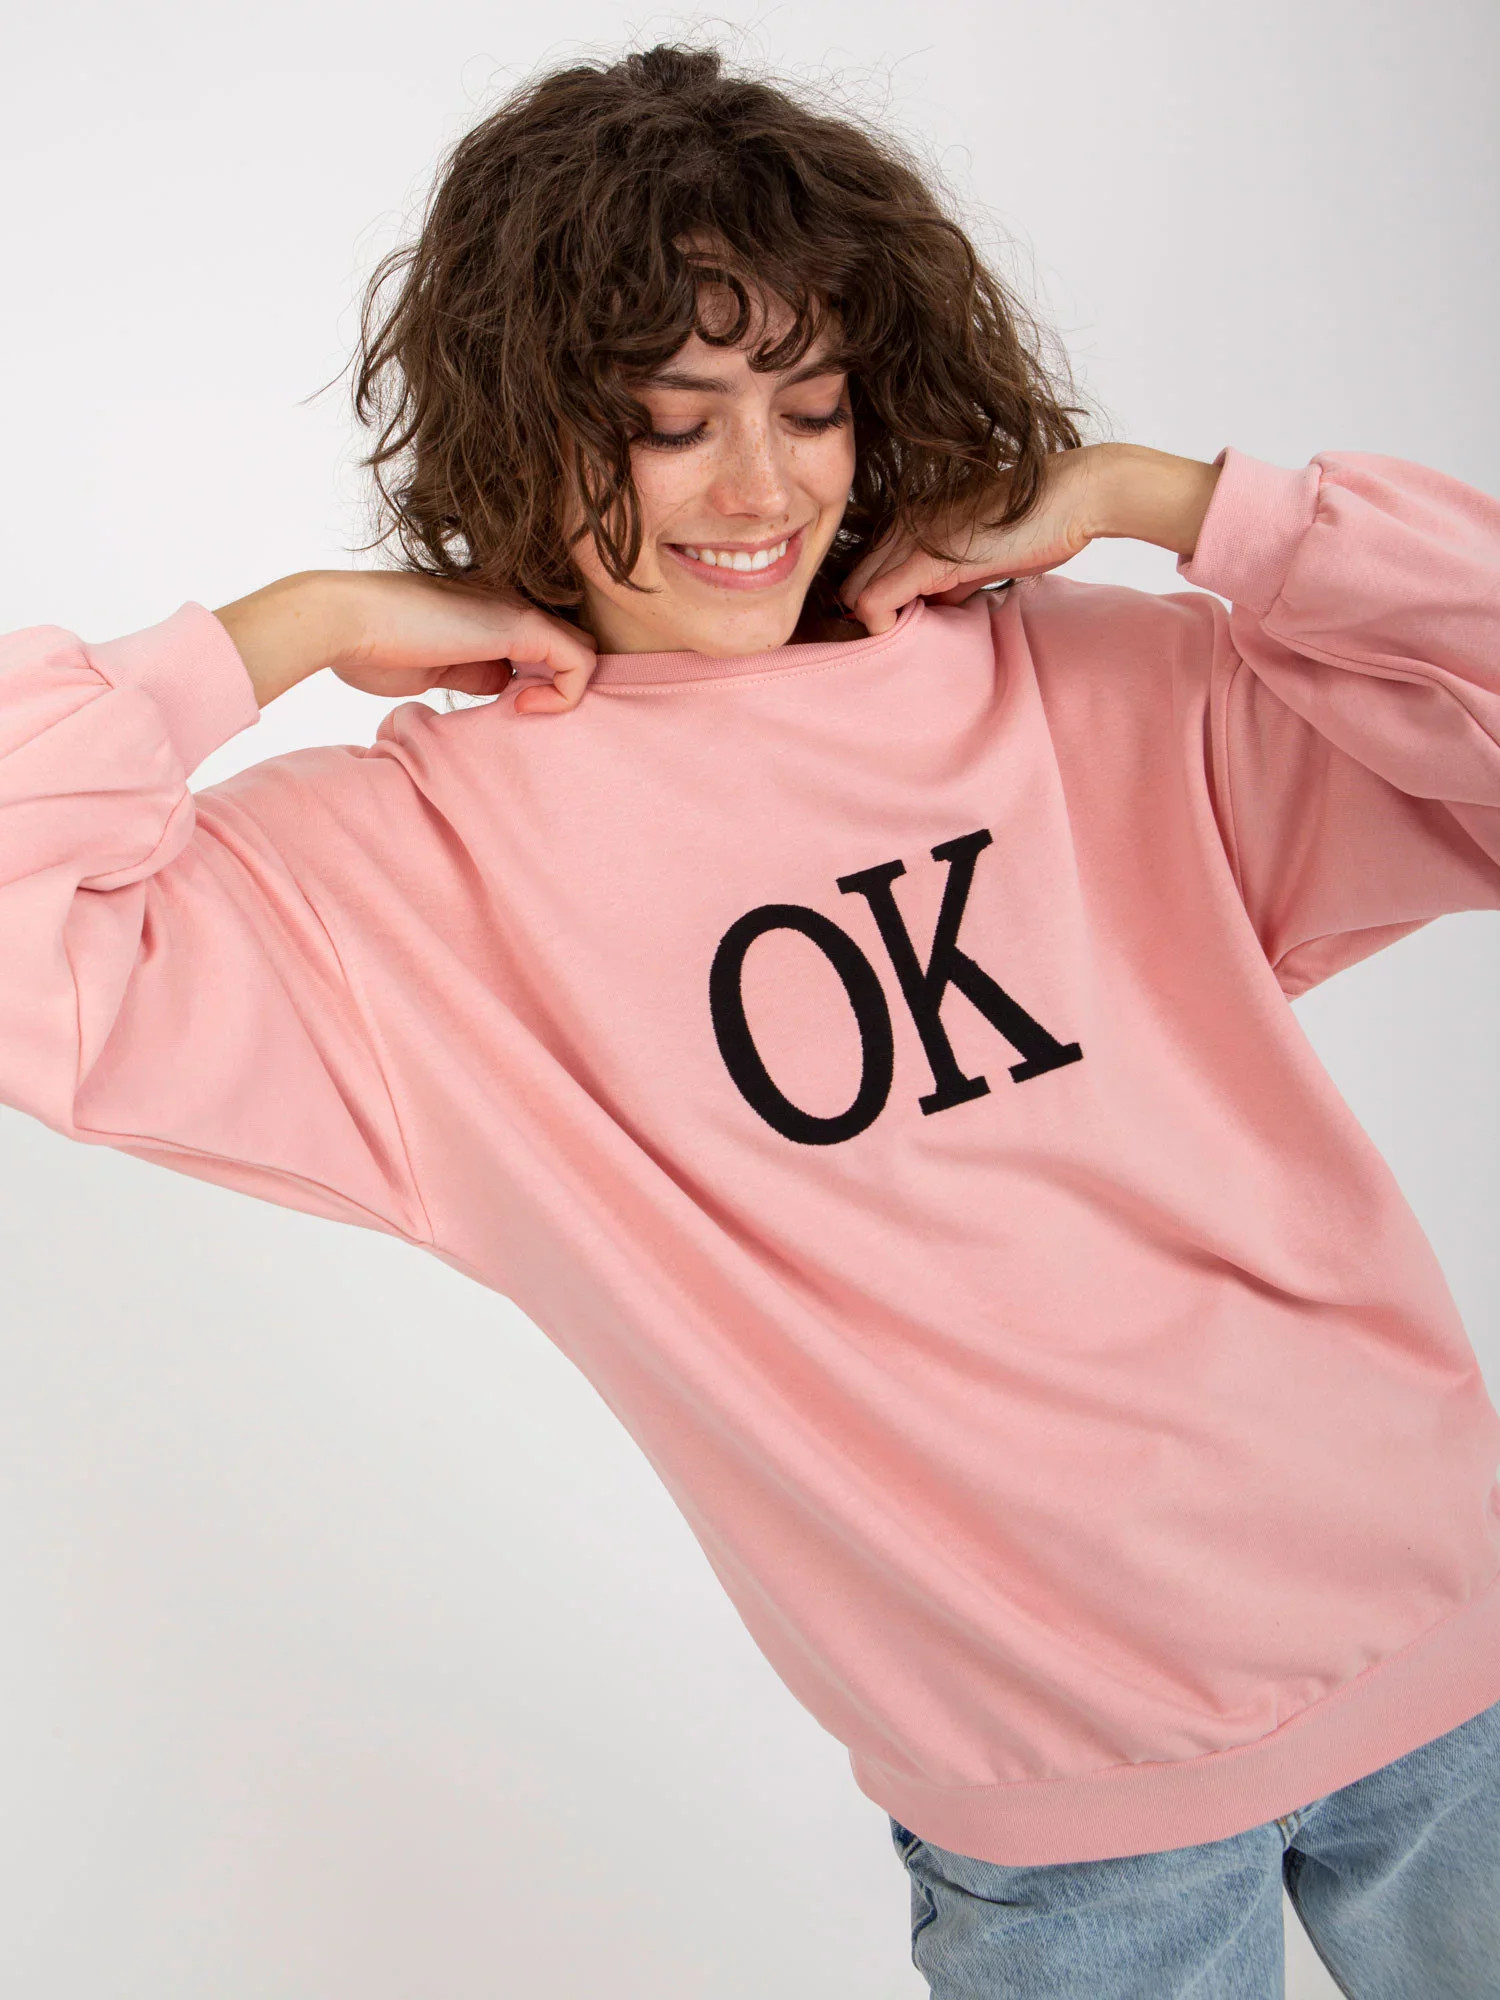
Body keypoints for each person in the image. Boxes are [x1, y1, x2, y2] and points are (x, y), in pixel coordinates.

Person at [3, 38, 1499, 1999]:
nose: (761, 486)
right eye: (668, 421)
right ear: (528, 420)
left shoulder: (1092, 683)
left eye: (813, 406)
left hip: (1458, 1652)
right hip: (1062, 1826)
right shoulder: (408, 874)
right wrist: (280, 632)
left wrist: (1185, 502)